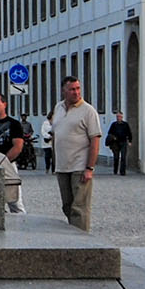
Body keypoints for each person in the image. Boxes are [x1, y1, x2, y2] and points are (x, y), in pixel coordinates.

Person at [49, 75, 102, 232]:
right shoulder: (58, 108)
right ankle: (72, 236)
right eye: (72, 89)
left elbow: (95, 140)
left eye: (78, 88)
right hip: (62, 166)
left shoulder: (88, 111)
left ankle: (81, 240)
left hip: (80, 166)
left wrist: (89, 168)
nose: (76, 92)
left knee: (79, 208)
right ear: (63, 90)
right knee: (67, 205)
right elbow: (55, 134)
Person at [106, 111, 133, 177]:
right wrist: (113, 137)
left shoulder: (125, 124)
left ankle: (122, 171)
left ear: (122, 117)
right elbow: (109, 133)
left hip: (123, 141)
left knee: (123, 157)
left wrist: (130, 141)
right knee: (116, 157)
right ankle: (115, 170)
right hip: (115, 142)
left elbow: (129, 133)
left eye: (120, 116)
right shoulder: (114, 124)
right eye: (117, 116)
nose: (118, 118)